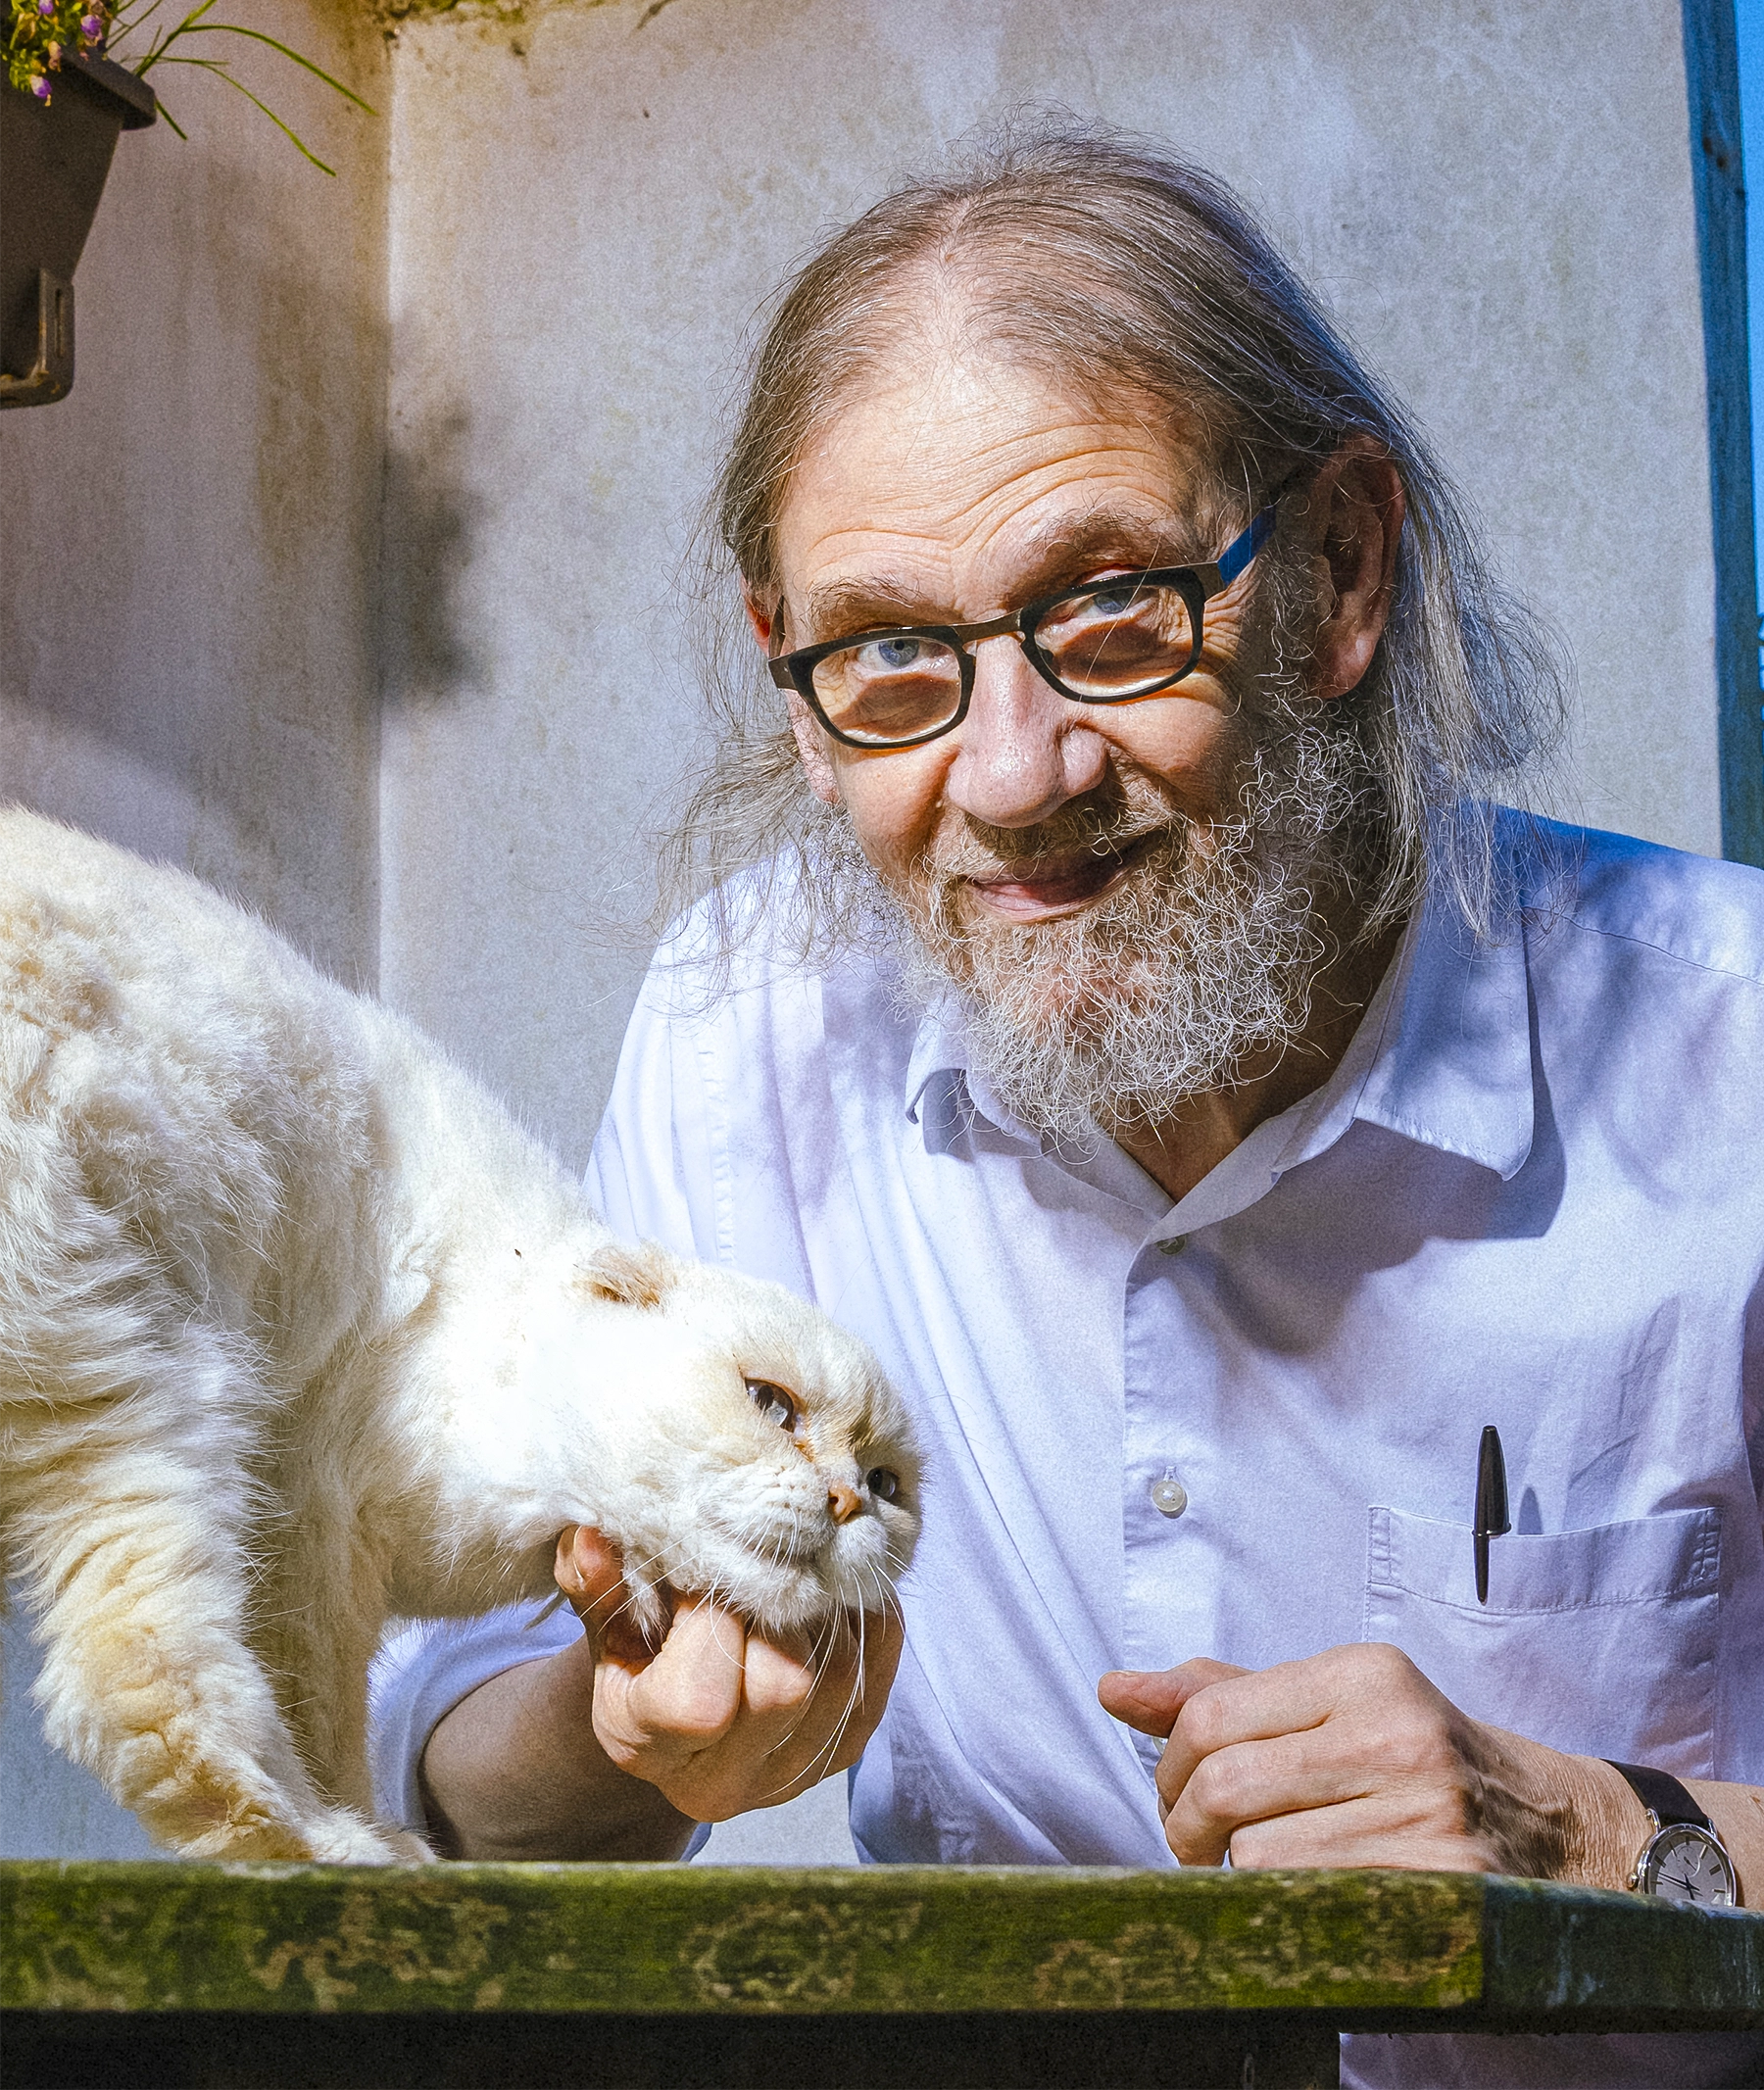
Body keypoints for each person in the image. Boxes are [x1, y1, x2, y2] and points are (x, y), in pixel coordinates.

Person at [368, 129, 1764, 2086]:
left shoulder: (1736, 1046)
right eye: (890, 658)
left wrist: (1614, 1836)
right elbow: (447, 1762)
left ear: (1341, 575)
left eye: (1111, 608)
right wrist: (625, 1741)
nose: (1010, 778)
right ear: (793, 683)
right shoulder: (743, 1025)